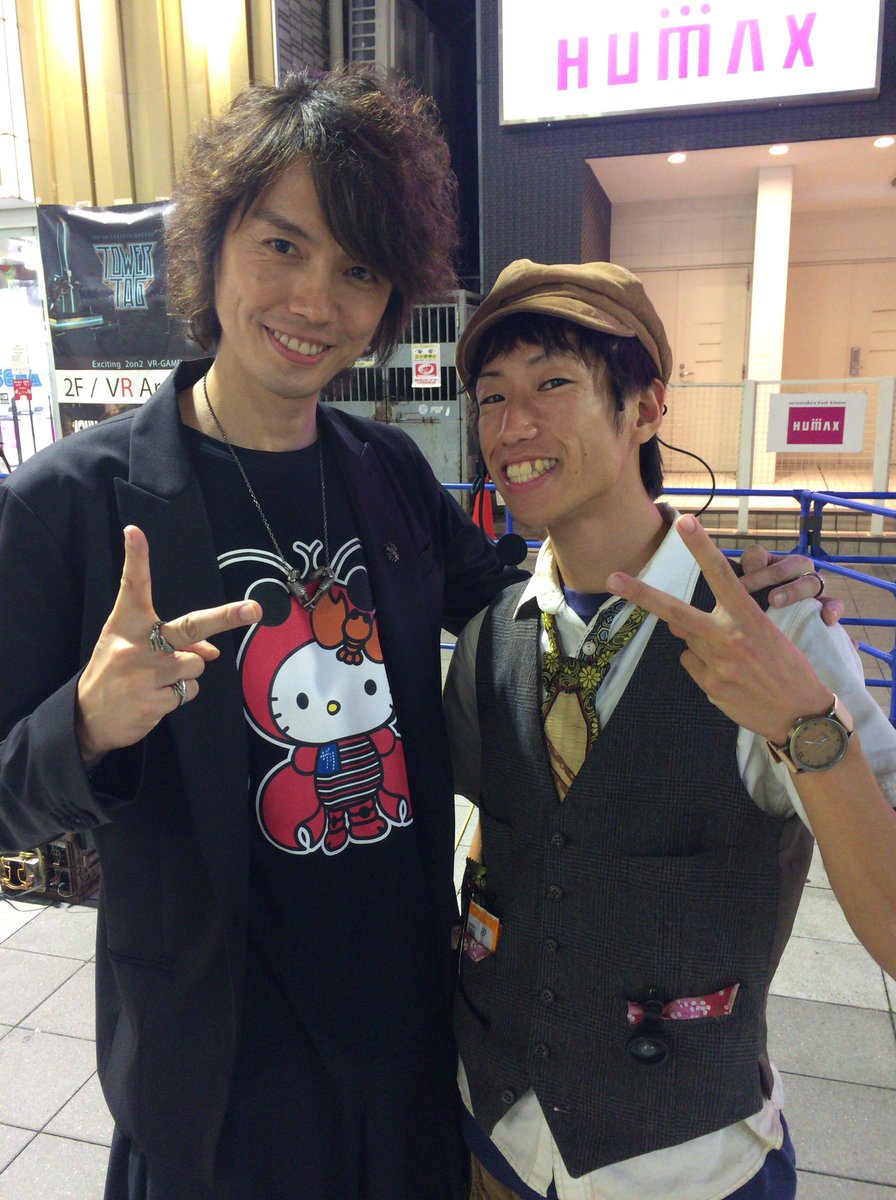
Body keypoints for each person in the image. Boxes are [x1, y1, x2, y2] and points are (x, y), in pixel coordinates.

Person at [0, 69, 833, 1198]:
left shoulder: (383, 473)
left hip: (408, 1041)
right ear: (212, 244)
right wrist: (86, 724)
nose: (315, 300)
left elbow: (529, 594)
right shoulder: (68, 505)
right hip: (216, 1064)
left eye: (358, 269)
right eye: (282, 246)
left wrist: (716, 580)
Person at [444, 259, 896, 1200]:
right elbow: (507, 841)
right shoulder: (492, 638)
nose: (511, 425)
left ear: (647, 406)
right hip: (497, 1144)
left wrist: (806, 725)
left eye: (552, 383)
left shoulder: (774, 633)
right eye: (491, 396)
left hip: (690, 1166)